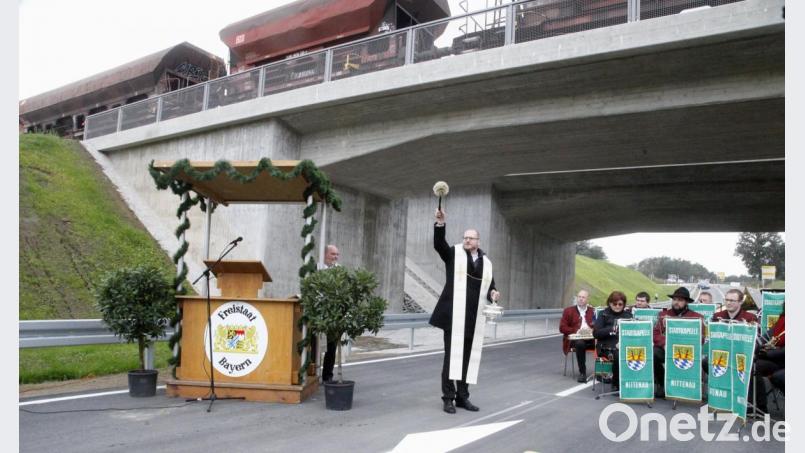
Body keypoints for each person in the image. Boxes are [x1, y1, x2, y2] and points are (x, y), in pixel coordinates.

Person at [430, 208, 500, 414]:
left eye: (471, 238)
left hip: (474, 319)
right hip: (453, 317)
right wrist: (440, 224)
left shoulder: (487, 263)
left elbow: (490, 287)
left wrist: (494, 294)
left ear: (478, 241)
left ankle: (463, 397)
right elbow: (438, 245)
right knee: (452, 357)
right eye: (465, 237)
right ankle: (448, 398)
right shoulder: (454, 254)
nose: (467, 240)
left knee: (468, 359)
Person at [652, 287, 704, 398]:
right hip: (667, 349)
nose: (676, 302)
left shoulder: (697, 317)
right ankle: (662, 384)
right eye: (675, 299)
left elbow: (702, 338)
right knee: (653, 353)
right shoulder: (663, 315)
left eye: (680, 300)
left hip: (687, 351)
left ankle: (689, 387)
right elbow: (656, 334)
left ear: (686, 302)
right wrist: (666, 344)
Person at [593, 291, 633, 390]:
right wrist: (612, 328)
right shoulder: (603, 314)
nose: (617, 306)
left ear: (623, 304)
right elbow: (596, 333)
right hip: (606, 347)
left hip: (624, 345)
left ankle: (634, 382)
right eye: (614, 304)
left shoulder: (628, 316)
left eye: (620, 304)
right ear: (610, 303)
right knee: (618, 355)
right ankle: (616, 383)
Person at [560, 289, 596, 383]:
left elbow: (599, 325)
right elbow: (562, 328)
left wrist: (592, 330)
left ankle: (604, 373)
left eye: (583, 297)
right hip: (576, 340)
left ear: (587, 299)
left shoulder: (593, 311)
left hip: (592, 339)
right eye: (579, 297)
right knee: (580, 343)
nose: (580, 299)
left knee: (604, 341)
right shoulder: (568, 311)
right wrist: (577, 331)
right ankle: (582, 373)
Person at [318, 244, 340, 382]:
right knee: (313, 346)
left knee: (331, 347)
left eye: (337, 255)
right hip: (318, 313)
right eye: (333, 254)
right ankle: (310, 374)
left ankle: (327, 376)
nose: (336, 257)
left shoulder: (339, 270)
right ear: (325, 254)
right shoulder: (316, 269)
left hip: (333, 313)